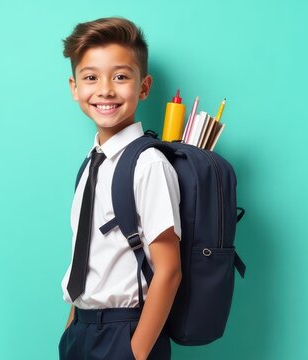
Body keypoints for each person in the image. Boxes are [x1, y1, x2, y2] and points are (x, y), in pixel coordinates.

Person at [59, 17, 182, 360]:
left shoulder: (148, 164)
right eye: (90, 77)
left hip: (124, 334)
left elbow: (169, 270)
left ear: (144, 87)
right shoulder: (91, 164)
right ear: (74, 87)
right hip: (81, 331)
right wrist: (72, 327)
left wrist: (135, 353)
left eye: (121, 76)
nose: (105, 90)